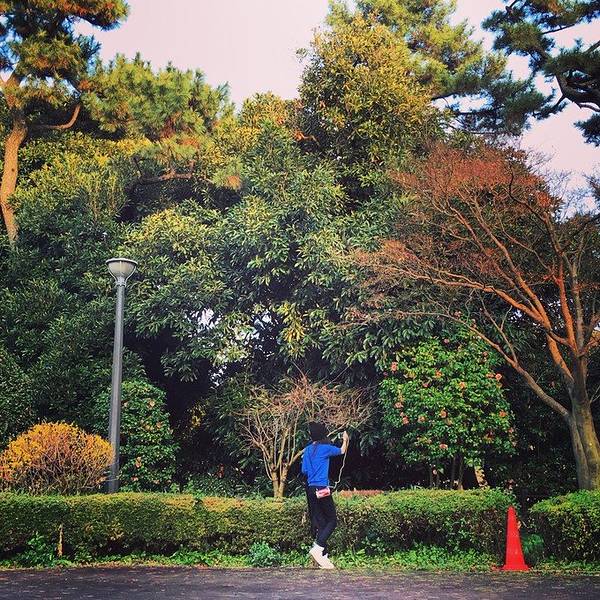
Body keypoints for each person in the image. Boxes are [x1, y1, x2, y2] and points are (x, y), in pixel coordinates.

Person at [301, 421, 349, 569]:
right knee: (332, 521)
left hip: (310, 489)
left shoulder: (307, 450)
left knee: (320, 522)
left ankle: (323, 557)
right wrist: (345, 440)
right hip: (321, 487)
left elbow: (304, 471)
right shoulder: (325, 448)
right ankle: (318, 548)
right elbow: (342, 451)